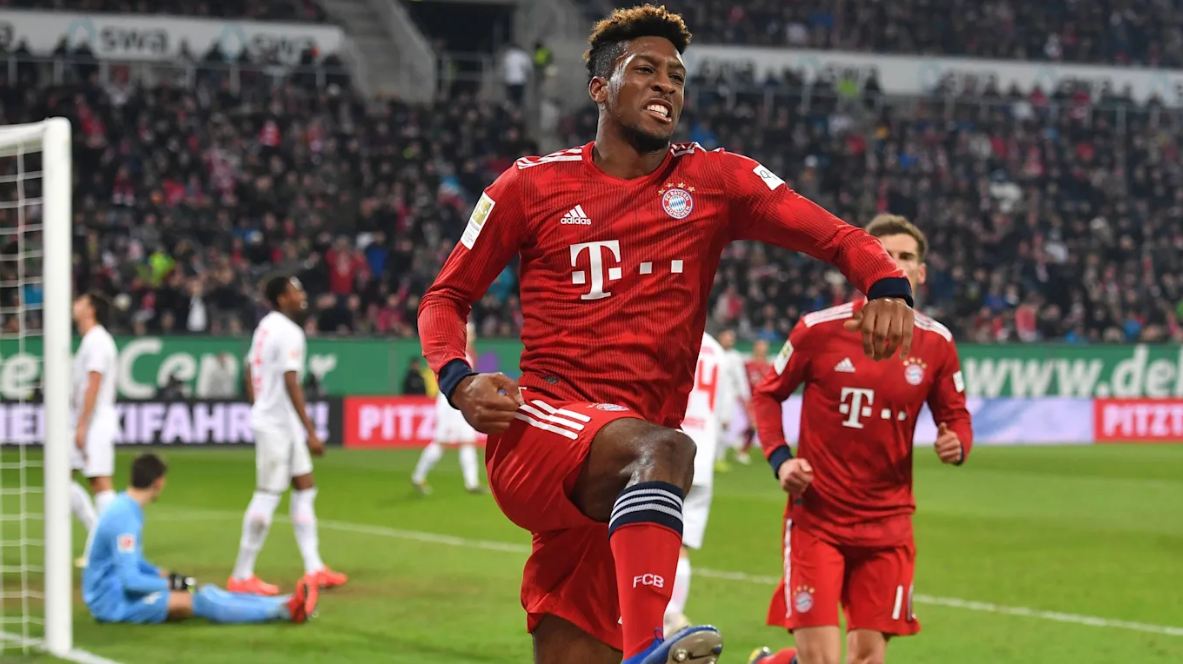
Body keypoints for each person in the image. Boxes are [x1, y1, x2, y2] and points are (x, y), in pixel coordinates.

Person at [417, 6, 915, 663]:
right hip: (544, 429)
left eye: (676, 77)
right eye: (645, 70)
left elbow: (835, 236)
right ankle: (651, 648)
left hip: (625, 485)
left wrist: (886, 281)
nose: (665, 85)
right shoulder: (530, 185)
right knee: (669, 449)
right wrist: (458, 381)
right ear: (600, 87)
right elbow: (445, 297)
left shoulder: (715, 181)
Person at [748, 215, 973, 664]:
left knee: (868, 658)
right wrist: (781, 460)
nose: (895, 264)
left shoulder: (937, 344)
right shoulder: (817, 330)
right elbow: (767, 394)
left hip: (888, 526)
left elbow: (957, 417)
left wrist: (957, 443)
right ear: (862, 265)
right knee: (823, 660)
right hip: (818, 518)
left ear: (920, 272)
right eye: (884, 255)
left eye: (905, 257)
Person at [83, 453, 317, 625]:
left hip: (118, 593)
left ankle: (287, 602)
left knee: (207, 591)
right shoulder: (124, 517)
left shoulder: (126, 507)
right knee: (200, 600)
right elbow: (130, 580)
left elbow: (134, 562)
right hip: (114, 604)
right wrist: (175, 585)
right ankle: (283, 611)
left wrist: (165, 575)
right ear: (159, 482)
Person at [228, 275, 347, 595]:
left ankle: (314, 567)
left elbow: (249, 370)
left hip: (279, 421)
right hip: (277, 426)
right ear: (282, 298)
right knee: (267, 494)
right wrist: (311, 431)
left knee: (305, 487)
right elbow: (291, 381)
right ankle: (241, 575)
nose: (302, 295)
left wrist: (259, 404)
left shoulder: (265, 327)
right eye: (296, 291)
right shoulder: (289, 331)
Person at [663, 332, 723, 636]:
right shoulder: (717, 350)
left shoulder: (673, 334)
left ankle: (664, 616)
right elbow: (721, 410)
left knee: (652, 533)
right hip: (704, 453)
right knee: (681, 542)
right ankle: (674, 615)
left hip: (671, 448)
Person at [412, 322, 483, 494]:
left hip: (463, 402)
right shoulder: (456, 354)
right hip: (450, 403)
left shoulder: (467, 354)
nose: (473, 337)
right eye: (470, 334)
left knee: (468, 441)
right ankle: (418, 476)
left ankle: (472, 483)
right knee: (441, 443)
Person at [69, 292, 119, 538]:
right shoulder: (89, 340)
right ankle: (98, 535)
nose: (74, 305)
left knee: (100, 481)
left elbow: (94, 382)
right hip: (85, 420)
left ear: (91, 310)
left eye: (80, 301)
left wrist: (82, 424)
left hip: (95, 421)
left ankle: (113, 541)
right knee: (60, 479)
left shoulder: (98, 340)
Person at [713, 329, 750, 469]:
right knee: (712, 427)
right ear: (720, 337)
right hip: (712, 397)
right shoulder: (714, 352)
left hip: (727, 399)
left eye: (731, 338)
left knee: (724, 426)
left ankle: (719, 458)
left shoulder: (735, 357)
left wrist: (746, 396)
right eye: (727, 337)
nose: (730, 340)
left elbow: (741, 378)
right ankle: (710, 456)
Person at [740, 339, 773, 460]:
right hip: (750, 399)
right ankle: (742, 452)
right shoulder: (747, 364)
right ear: (755, 348)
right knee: (754, 424)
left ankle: (742, 436)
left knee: (756, 425)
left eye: (765, 347)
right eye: (760, 346)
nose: (763, 349)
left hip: (763, 400)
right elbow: (741, 380)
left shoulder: (769, 366)